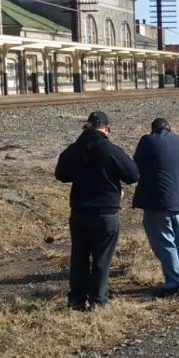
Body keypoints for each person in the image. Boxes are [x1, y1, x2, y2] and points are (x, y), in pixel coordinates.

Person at [54, 111, 140, 311]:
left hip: (79, 212)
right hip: (105, 212)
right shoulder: (111, 150)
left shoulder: (74, 149)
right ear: (107, 128)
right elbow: (132, 175)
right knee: (102, 258)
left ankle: (76, 299)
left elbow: (61, 174)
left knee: (79, 257)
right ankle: (98, 301)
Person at [133, 117, 179, 297]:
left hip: (156, 201)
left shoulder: (146, 141)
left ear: (153, 130)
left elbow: (135, 165)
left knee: (164, 240)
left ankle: (174, 282)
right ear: (170, 129)